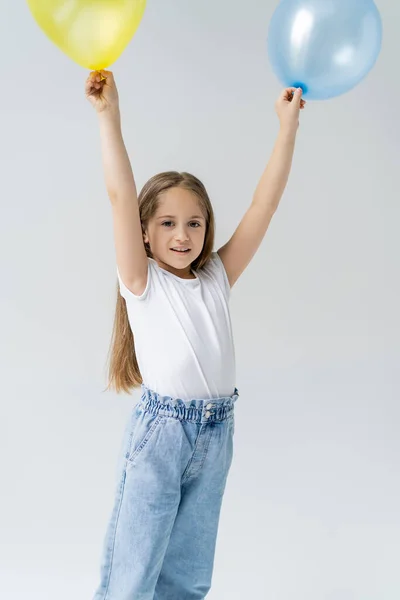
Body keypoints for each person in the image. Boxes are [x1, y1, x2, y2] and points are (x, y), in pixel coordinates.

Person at [86, 70, 306, 600]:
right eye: (166, 223)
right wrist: (109, 116)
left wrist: (286, 128)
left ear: (207, 227)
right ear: (144, 231)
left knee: (188, 575)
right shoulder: (142, 282)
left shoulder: (216, 278)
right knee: (134, 572)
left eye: (194, 222)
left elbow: (264, 207)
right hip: (161, 436)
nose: (182, 235)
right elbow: (119, 196)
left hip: (216, 433)